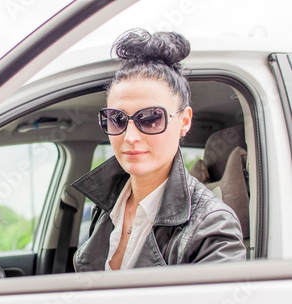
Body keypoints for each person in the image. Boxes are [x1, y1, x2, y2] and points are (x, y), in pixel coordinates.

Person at [72, 28, 246, 272]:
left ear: (184, 121)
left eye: (151, 118)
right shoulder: (107, 204)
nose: (130, 137)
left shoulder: (212, 225)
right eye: (117, 119)